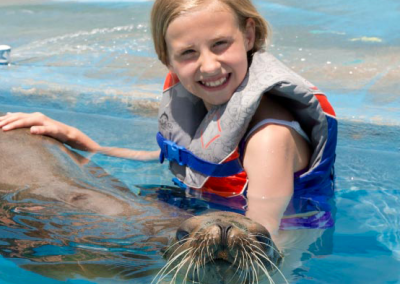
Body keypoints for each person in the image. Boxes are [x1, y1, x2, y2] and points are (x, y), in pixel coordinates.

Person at [0, 0, 337, 235]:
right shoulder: (211, 102)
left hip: (268, 238)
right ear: (166, 57)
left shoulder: (269, 139)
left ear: (248, 35)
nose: (208, 66)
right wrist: (90, 146)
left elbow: (265, 239)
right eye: (188, 52)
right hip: (208, 217)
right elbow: (196, 163)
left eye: (220, 44)